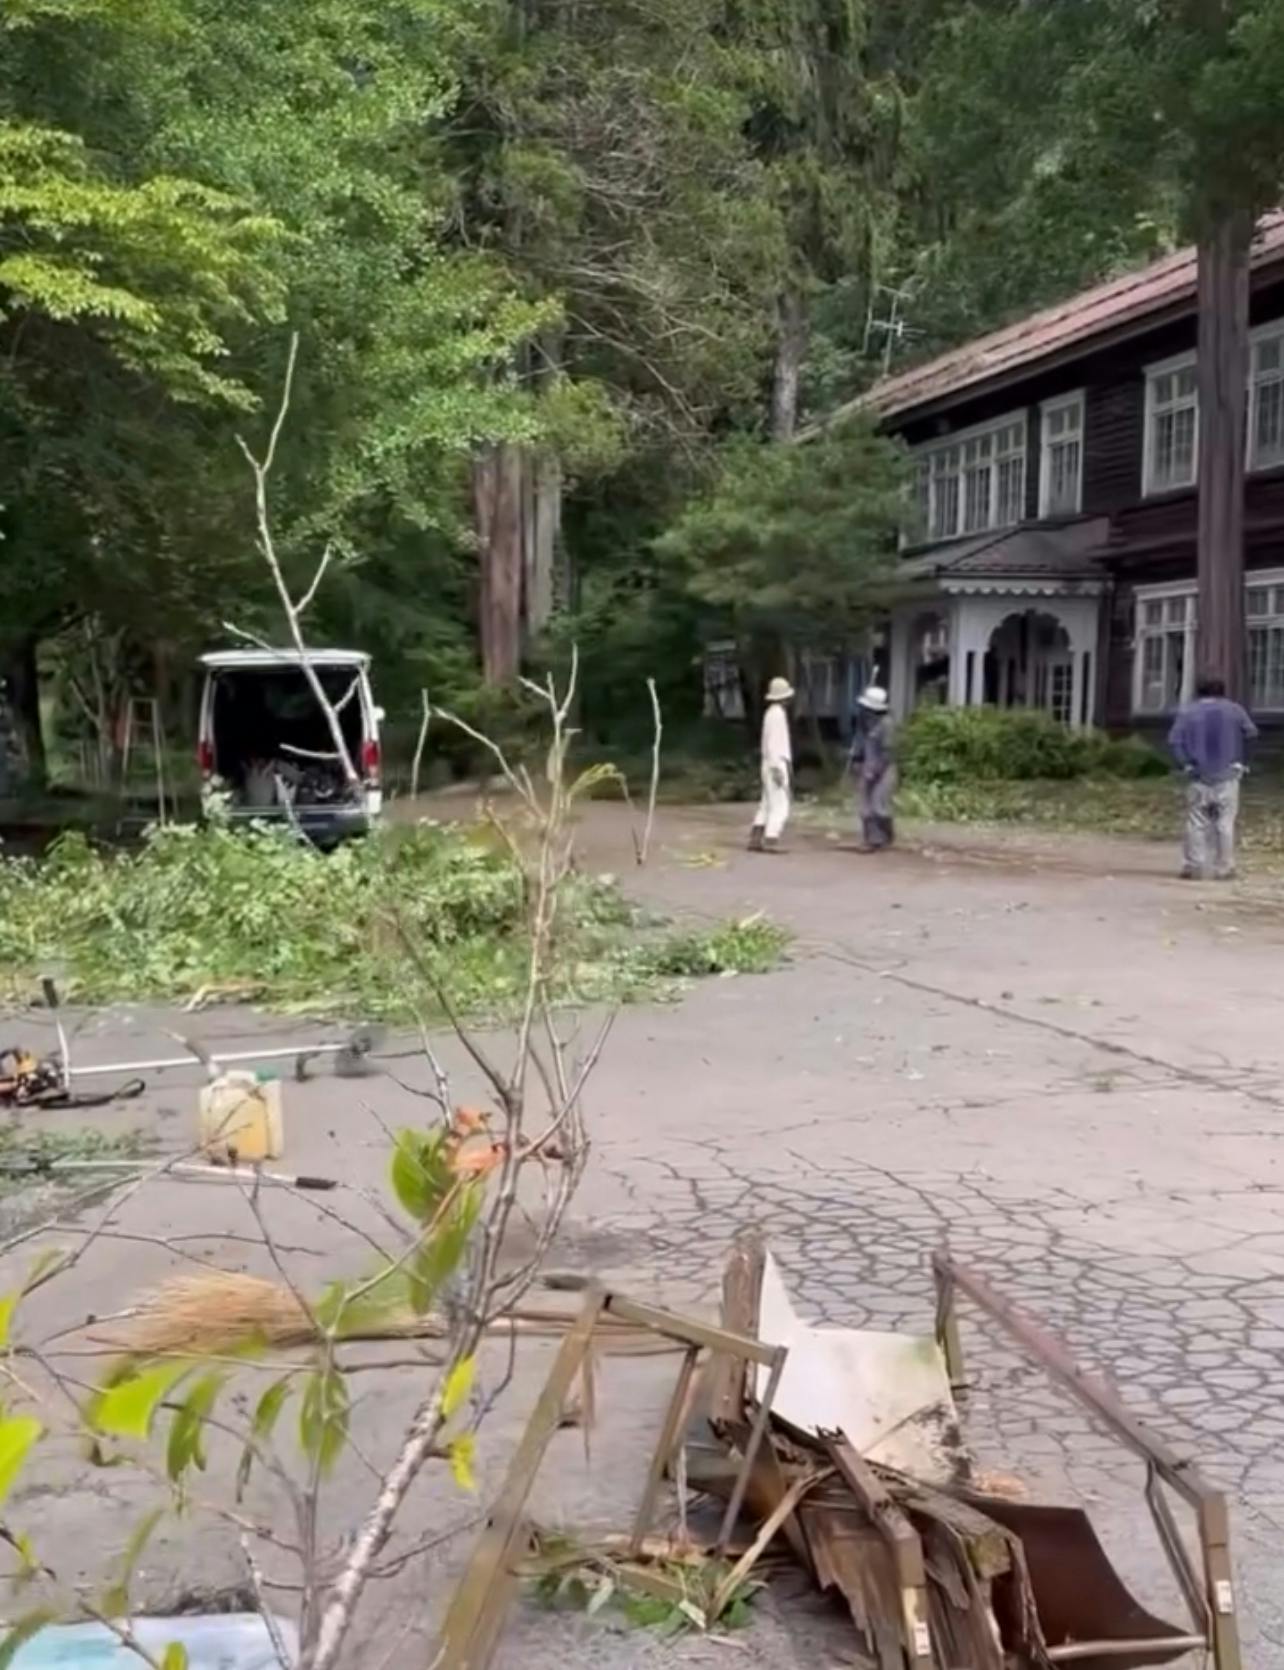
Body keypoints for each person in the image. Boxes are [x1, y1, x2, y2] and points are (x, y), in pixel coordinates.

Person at [1168, 675, 1257, 880]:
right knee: (1225, 823)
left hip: (1198, 775)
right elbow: (1251, 734)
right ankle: (1224, 867)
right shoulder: (1235, 710)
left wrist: (1186, 764)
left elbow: (1175, 741)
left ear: (1198, 691)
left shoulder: (1188, 712)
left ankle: (1194, 866)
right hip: (1227, 773)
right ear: (1223, 691)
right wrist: (1242, 761)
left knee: (1196, 821)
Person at [748, 676, 794, 852]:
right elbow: (774, 744)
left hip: (767, 762)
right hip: (776, 761)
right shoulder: (778, 715)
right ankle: (771, 837)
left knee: (767, 801)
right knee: (780, 803)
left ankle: (757, 836)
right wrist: (777, 768)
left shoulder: (770, 713)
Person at [849, 685, 897, 851]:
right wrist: (857, 760)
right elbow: (861, 745)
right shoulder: (866, 724)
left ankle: (886, 835)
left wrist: (876, 771)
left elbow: (887, 752)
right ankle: (872, 839)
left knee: (879, 806)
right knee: (865, 806)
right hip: (867, 765)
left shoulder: (886, 724)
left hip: (884, 770)